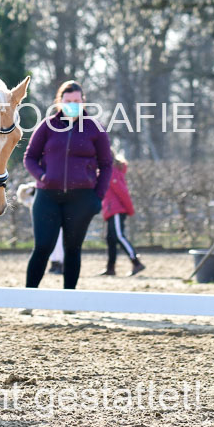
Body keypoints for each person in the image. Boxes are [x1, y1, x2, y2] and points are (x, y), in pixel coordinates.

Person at [23, 81, 112, 289]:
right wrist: (42, 177)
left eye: (77, 101)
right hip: (47, 196)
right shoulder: (47, 126)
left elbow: (107, 164)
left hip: (81, 199)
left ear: (83, 101)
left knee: (73, 248)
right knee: (43, 247)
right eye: (68, 100)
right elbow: (30, 157)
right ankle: (28, 298)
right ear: (60, 102)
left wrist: (97, 197)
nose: (73, 104)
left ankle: (68, 300)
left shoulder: (95, 128)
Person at [100, 150, 145, 276]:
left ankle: (136, 262)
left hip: (116, 210)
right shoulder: (107, 171)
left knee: (119, 236)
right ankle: (110, 268)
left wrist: (129, 209)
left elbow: (122, 192)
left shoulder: (112, 172)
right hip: (110, 210)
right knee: (110, 239)